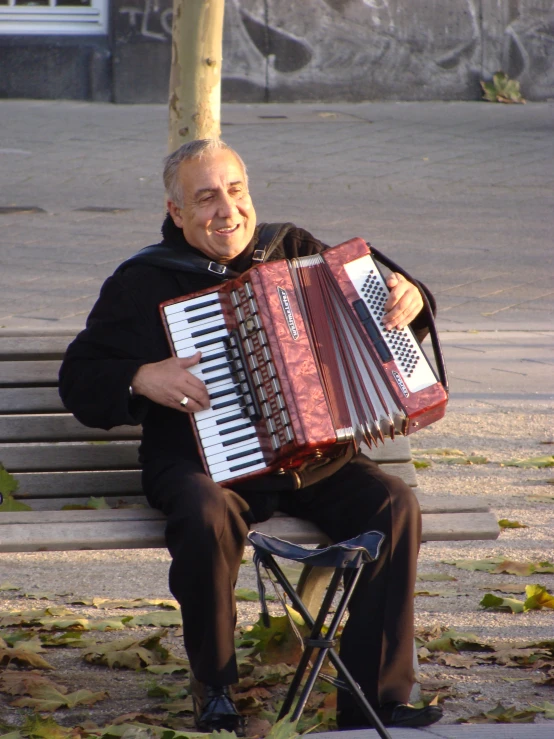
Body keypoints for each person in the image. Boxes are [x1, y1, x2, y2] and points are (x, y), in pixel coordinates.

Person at [59, 139, 443, 734]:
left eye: (235, 191)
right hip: (205, 463)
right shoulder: (141, 282)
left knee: (394, 505)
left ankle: (377, 700)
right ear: (176, 211)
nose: (227, 210)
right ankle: (214, 687)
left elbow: (390, 303)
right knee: (204, 511)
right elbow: (80, 380)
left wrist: (412, 297)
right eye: (205, 197)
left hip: (313, 460)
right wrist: (139, 376)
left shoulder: (294, 249)